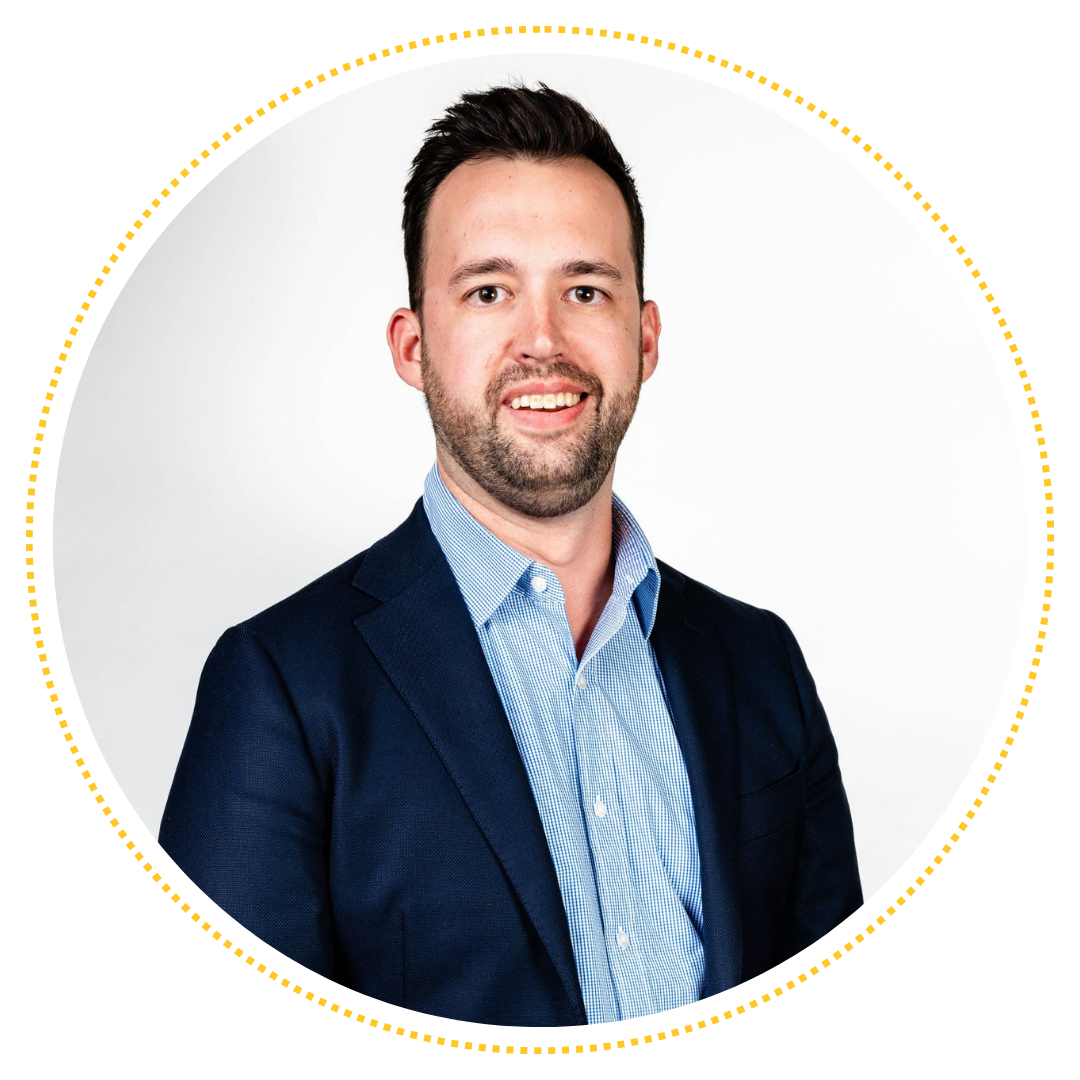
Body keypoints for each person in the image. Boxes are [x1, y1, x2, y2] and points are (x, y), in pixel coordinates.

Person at [159, 83, 861, 1027]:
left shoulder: (760, 662)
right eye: (489, 291)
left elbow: (845, 1024)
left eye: (584, 290)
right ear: (414, 345)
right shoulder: (281, 687)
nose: (543, 341)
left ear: (643, 337)